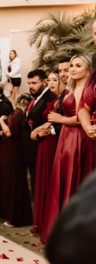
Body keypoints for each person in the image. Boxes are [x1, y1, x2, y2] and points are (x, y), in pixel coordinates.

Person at [43, 54, 94, 239]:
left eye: (77, 66)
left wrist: (60, 119)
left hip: (75, 138)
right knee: (65, 178)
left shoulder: (83, 88)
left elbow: (81, 117)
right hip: (68, 136)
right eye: (71, 65)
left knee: (71, 178)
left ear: (87, 69)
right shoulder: (76, 87)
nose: (72, 69)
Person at [31, 71, 62, 237]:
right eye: (49, 80)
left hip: (52, 142)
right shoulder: (56, 100)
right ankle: (42, 221)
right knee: (42, 181)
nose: (51, 82)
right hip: (44, 140)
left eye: (54, 79)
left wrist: (47, 128)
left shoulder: (61, 100)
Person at [0, 93, 33, 226]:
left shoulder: (18, 113)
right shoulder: (19, 113)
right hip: (11, 151)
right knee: (13, 183)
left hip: (12, 153)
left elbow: (9, 132)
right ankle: (15, 216)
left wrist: (1, 121)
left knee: (13, 184)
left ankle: (13, 218)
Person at [23, 68, 56, 192]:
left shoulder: (51, 97)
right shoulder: (35, 97)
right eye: (29, 83)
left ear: (44, 83)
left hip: (42, 145)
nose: (31, 86)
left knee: (41, 183)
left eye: (34, 83)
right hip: (30, 148)